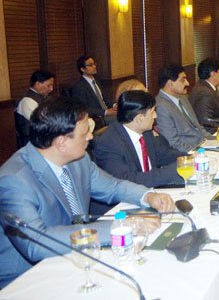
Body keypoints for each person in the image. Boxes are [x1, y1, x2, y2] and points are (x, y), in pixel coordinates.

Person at [0, 97, 174, 288]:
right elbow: (36, 242)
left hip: (79, 258)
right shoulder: (14, 180)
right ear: (61, 143)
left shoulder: (78, 160)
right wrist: (118, 228)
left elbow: (113, 186)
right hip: (29, 279)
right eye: (84, 133)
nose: (91, 137)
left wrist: (148, 196)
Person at [93, 90, 184, 188]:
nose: (155, 116)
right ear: (139, 118)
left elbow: (163, 155)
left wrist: (191, 158)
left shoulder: (145, 132)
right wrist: (174, 170)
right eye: (153, 112)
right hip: (126, 199)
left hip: (151, 190)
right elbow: (127, 181)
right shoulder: (109, 143)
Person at [155, 64, 211, 154]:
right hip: (190, 153)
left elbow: (197, 126)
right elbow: (174, 143)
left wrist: (213, 140)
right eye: (183, 80)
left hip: (204, 145)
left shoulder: (183, 97)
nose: (187, 83)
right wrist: (200, 152)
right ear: (170, 83)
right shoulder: (161, 107)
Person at [71, 56, 116, 129]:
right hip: (97, 118)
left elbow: (104, 99)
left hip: (107, 112)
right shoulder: (79, 87)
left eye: (94, 64)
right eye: (90, 65)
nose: (94, 66)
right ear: (82, 69)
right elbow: (83, 109)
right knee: (120, 120)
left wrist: (114, 105)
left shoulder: (96, 81)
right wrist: (105, 112)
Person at [15, 70, 55, 146]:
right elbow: (42, 121)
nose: (51, 89)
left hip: (44, 137)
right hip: (32, 142)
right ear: (37, 84)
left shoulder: (46, 97)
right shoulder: (27, 101)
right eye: (49, 85)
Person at [189, 57, 219, 130]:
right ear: (213, 74)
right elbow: (207, 124)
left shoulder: (209, 87)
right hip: (215, 135)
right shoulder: (204, 93)